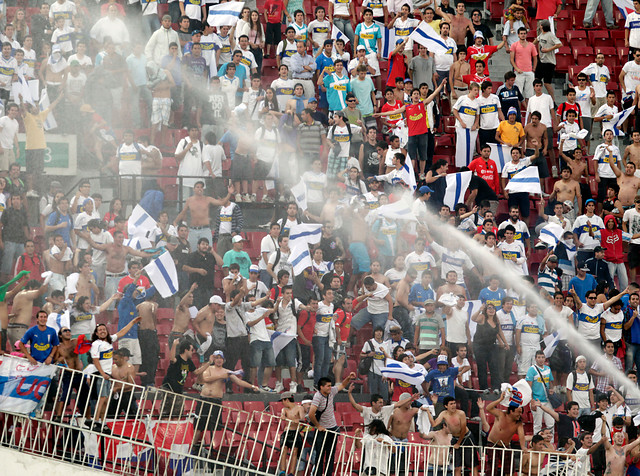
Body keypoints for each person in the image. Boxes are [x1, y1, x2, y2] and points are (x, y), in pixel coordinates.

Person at [308, 373, 356, 476]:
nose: (330, 388)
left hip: (332, 429)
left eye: (331, 385)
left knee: (331, 455)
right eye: (328, 386)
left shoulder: (331, 392)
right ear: (321, 387)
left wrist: (348, 377)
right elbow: (311, 414)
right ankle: (318, 474)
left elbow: (342, 386)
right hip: (322, 430)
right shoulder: (317, 397)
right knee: (320, 455)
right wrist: (318, 426)